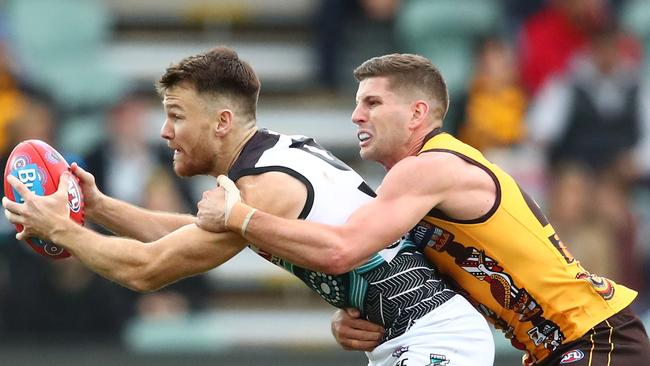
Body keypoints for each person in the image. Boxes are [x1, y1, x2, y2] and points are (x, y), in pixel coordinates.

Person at [2, 47, 494, 366]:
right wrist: (99, 206)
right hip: (412, 339)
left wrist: (62, 230)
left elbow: (147, 270)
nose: (164, 132)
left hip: (438, 342)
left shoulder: (261, 187)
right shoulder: (269, 160)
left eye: (176, 116)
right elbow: (182, 234)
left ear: (220, 122)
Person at [194, 53, 650, 365]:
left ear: (417, 113)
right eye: (356, 104)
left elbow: (341, 250)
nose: (356, 116)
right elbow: (410, 273)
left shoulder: (427, 169)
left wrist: (239, 218)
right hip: (564, 344)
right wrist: (353, 315)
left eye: (372, 102)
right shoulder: (414, 187)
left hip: (594, 336)